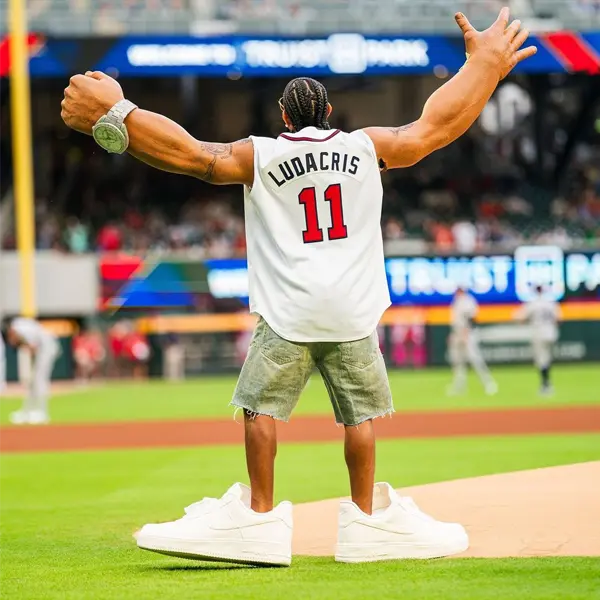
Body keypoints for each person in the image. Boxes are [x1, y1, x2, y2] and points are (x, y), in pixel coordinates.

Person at [61, 8, 535, 566]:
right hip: (352, 312)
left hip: (289, 310)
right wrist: (483, 68)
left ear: (284, 116)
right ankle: (367, 520)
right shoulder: (365, 147)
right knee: (359, 419)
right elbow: (433, 129)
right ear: (331, 111)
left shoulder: (260, 154)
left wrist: (116, 114)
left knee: (261, 412)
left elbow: (192, 155)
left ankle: (258, 518)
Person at [6, 317, 60, 425]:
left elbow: (32, 348)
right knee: (34, 382)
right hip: (42, 348)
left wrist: (23, 346)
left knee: (40, 380)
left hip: (46, 347)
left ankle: (42, 412)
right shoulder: (19, 327)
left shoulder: (20, 328)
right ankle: (28, 412)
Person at [447, 287, 498, 396]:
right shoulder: (456, 301)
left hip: (468, 334)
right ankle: (460, 387)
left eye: (458, 291)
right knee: (458, 361)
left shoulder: (468, 300)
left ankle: (489, 384)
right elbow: (456, 321)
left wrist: (465, 333)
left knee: (475, 359)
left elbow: (471, 318)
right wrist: (454, 335)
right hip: (458, 333)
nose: (456, 293)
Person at [514, 285, 560, 396]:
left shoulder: (532, 304)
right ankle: (547, 384)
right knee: (547, 358)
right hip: (551, 333)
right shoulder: (551, 303)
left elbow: (520, 319)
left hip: (539, 333)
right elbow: (559, 320)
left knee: (541, 360)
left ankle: (545, 385)